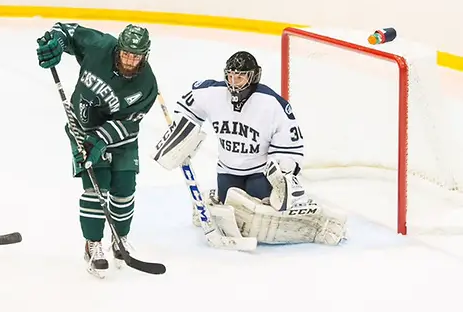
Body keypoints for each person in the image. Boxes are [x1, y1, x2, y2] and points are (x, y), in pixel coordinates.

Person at [153, 51, 347, 246]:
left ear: (253, 76)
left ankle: (319, 223)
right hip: (227, 170)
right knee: (233, 215)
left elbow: (290, 144)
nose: (234, 81)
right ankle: (212, 201)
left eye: (240, 76)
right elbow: (188, 109)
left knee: (263, 218)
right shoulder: (212, 93)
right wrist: (181, 135)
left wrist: (282, 173)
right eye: (230, 75)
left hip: (259, 173)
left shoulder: (271, 103)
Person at [36, 22, 158, 276]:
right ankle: (93, 244)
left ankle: (120, 239)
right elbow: (65, 30)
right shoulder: (100, 45)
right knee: (96, 187)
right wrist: (56, 44)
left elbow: (130, 125)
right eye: (125, 53)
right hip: (82, 128)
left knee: (124, 189)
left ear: (145, 55)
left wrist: (101, 140)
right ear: (118, 49)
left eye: (135, 56)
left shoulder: (147, 85)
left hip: (120, 139)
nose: (129, 59)